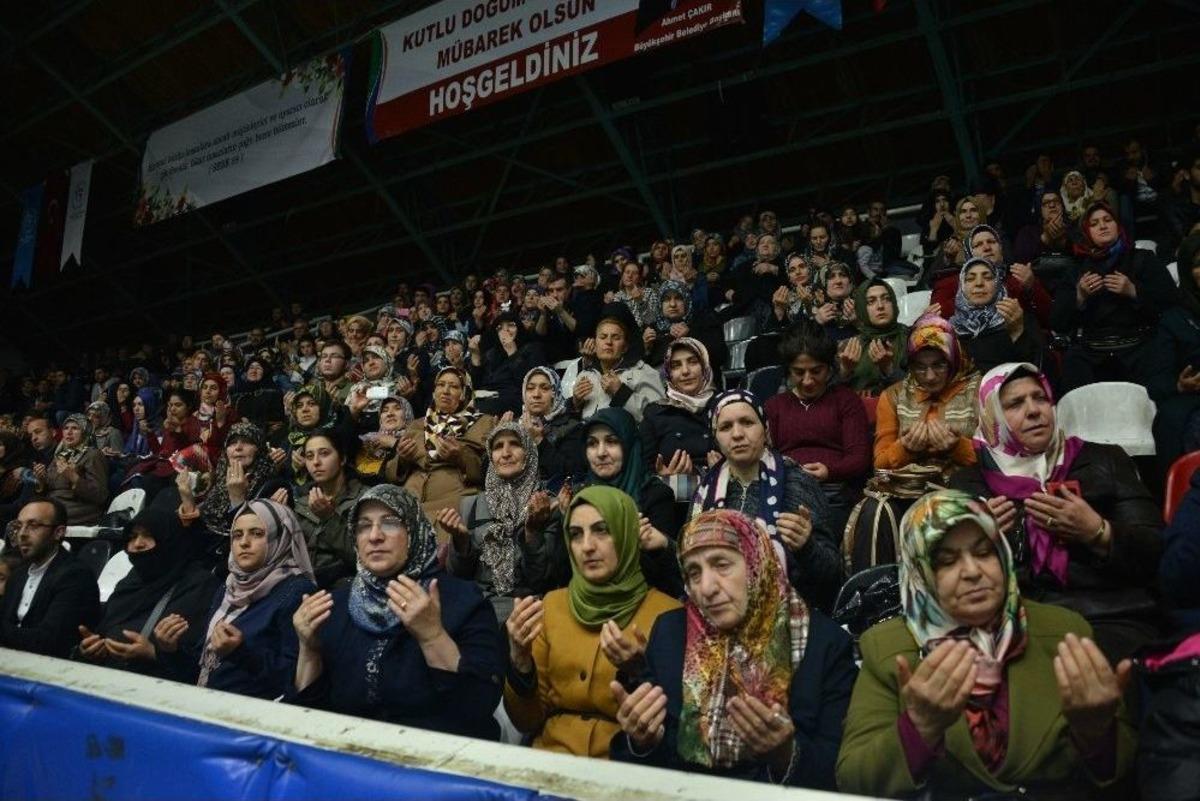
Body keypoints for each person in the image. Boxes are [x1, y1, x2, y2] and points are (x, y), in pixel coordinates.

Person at [837, 490, 1136, 798]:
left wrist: (1096, 733)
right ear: (920, 574)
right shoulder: (888, 647)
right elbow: (855, 780)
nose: (972, 572)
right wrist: (920, 726)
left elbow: (1125, 774)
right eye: (947, 561)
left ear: (1003, 554)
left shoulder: (1065, 632)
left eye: (984, 553)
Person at [610, 509, 856, 789]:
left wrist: (785, 755)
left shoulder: (823, 644)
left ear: (757, 563)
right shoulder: (670, 633)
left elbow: (841, 774)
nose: (706, 587)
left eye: (721, 564)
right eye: (693, 572)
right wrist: (642, 742)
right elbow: (638, 765)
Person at [949, 362, 1163, 662]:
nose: (1034, 410)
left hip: (1108, 617)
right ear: (992, 416)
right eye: (1015, 404)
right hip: (1015, 622)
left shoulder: (1105, 460)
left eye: (1040, 398)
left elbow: (1156, 551)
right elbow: (945, 578)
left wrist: (1098, 532)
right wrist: (978, 543)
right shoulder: (968, 484)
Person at [289, 485, 503, 738]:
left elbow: (477, 709)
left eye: (390, 523)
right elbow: (306, 717)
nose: (375, 536)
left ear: (415, 530)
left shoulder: (463, 601)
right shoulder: (333, 606)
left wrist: (433, 636)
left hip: (437, 762)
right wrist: (309, 649)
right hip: (351, 759)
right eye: (363, 526)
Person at [502, 486, 681, 756]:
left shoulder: (667, 613)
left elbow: (673, 736)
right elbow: (525, 720)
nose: (587, 546)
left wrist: (639, 673)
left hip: (624, 768)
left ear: (625, 534)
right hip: (550, 762)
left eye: (602, 530)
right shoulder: (552, 605)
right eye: (575, 535)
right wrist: (520, 661)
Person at [691, 390, 841, 612]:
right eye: (726, 427)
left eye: (747, 422)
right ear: (716, 439)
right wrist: (664, 547)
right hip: (720, 610)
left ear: (766, 431)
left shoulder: (796, 483)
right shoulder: (706, 490)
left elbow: (833, 577)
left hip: (788, 611)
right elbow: (692, 569)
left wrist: (806, 547)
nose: (737, 434)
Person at [154, 499, 316, 698]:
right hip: (206, 704)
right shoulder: (228, 587)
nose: (244, 542)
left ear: (280, 537)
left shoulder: (297, 592)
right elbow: (202, 669)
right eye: (237, 535)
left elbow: (298, 680)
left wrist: (240, 652)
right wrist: (171, 649)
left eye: (257, 533)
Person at [75, 505, 220, 675]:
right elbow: (105, 633)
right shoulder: (130, 582)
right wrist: (91, 650)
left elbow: (201, 664)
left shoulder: (199, 586)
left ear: (170, 539)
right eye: (132, 536)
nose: (137, 544)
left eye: (149, 536)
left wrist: (153, 654)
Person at [438, 422, 561, 623]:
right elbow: (458, 575)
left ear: (529, 452)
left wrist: (532, 533)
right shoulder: (472, 505)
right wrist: (461, 542)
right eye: (497, 447)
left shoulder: (546, 505)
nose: (505, 453)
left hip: (528, 608)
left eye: (514, 444)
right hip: (479, 606)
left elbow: (541, 580)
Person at [1052, 201, 1177, 392]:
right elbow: (1058, 322)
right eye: (1094, 223)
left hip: (1138, 346)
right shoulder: (1076, 268)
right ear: (1086, 232)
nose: (1102, 226)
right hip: (1092, 353)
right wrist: (1079, 296)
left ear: (1118, 226)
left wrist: (1134, 292)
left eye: (1108, 220)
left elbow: (1170, 302)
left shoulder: (1142, 258)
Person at [766, 327, 871, 538]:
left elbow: (860, 458)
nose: (807, 380)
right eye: (799, 372)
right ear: (788, 371)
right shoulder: (775, 406)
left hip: (834, 493)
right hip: (787, 492)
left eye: (816, 371)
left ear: (829, 368)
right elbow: (766, 457)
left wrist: (829, 471)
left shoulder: (845, 400)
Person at [580, 407, 684, 596]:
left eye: (612, 442)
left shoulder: (656, 496)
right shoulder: (581, 499)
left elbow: (668, 581)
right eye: (592, 444)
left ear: (629, 445)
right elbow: (561, 576)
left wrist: (639, 542)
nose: (601, 453)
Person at [384, 366, 494, 526]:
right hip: (410, 500)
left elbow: (490, 471)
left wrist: (461, 457)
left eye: (454, 386)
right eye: (440, 385)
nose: (446, 391)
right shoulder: (417, 424)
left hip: (453, 502)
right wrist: (402, 459)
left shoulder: (484, 423)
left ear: (465, 393)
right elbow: (391, 474)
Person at [875, 314, 980, 472]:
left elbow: (999, 460)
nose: (930, 376)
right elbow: (879, 465)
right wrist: (905, 449)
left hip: (964, 489)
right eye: (920, 367)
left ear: (954, 360)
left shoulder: (980, 391)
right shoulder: (894, 395)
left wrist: (957, 447)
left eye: (939, 365)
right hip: (906, 490)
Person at [1, 498, 100, 657]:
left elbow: (49, 642)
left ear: (58, 532)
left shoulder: (76, 577)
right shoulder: (18, 575)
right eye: (19, 526)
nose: (22, 534)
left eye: (33, 525)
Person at [1143, 234, 1200, 465]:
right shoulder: (1174, 320)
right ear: (1187, 272)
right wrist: (1180, 385)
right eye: (1198, 264)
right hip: (1193, 404)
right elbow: (1156, 382)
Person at [563, 303, 665, 423]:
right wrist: (575, 404)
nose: (609, 342)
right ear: (595, 343)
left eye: (616, 337)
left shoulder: (643, 372)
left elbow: (658, 419)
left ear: (625, 347)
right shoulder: (585, 375)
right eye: (603, 337)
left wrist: (621, 393)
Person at [640, 338, 719, 488]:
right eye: (676, 366)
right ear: (668, 373)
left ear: (705, 366)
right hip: (673, 498)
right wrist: (665, 480)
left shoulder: (725, 405)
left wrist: (723, 472)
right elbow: (644, 472)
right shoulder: (656, 413)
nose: (685, 371)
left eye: (693, 362)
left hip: (723, 494)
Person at [293, 432, 368, 589]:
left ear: (343, 459)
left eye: (324, 453)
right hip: (301, 583)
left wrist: (329, 519)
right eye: (309, 456)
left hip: (346, 584)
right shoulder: (300, 502)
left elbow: (365, 558)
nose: (316, 462)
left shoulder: (365, 499)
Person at [949, 257, 1044, 374]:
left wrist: (1017, 333)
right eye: (970, 278)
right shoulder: (951, 330)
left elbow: (1038, 371)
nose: (979, 283)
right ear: (961, 287)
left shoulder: (1017, 319)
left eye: (988, 278)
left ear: (998, 284)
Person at [198, 422, 290, 536]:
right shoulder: (219, 480)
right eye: (232, 443)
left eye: (247, 442)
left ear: (259, 448)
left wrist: (237, 499)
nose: (238, 447)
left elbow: (254, 535)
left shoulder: (273, 485)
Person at [837, 277, 909, 395]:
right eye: (871, 301)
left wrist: (888, 368)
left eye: (886, 299)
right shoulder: (848, 347)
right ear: (861, 308)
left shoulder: (911, 339)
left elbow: (920, 390)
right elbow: (826, 393)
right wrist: (845, 370)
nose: (880, 306)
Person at [518, 366, 585, 486]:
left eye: (544, 388)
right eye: (530, 388)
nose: (536, 395)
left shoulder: (572, 427)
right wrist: (495, 438)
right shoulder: (515, 425)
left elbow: (570, 472)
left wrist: (539, 441)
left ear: (556, 392)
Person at [642, 282, 727, 377]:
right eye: (667, 299)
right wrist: (646, 348)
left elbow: (720, 357)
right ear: (660, 304)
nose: (673, 304)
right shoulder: (652, 330)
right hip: (661, 387)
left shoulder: (704, 322)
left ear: (686, 301)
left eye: (678, 298)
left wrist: (690, 335)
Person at [43, 413, 108, 524]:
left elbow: (100, 495)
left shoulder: (93, 455)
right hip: (55, 504)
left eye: (75, 428)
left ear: (85, 431)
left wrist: (73, 477)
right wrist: (41, 480)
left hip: (79, 509)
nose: (69, 432)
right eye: (66, 428)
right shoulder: (59, 456)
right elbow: (49, 488)